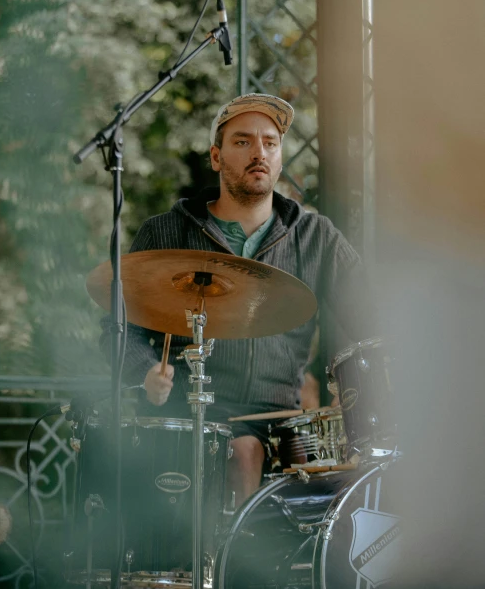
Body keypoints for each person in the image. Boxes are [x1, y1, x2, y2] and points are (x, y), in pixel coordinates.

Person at [100, 93, 370, 504]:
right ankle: (226, 567)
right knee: (240, 453)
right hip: (186, 418)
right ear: (216, 156)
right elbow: (116, 330)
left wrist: (359, 389)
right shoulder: (166, 234)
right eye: (242, 142)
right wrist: (144, 373)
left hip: (279, 423)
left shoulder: (317, 238)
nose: (258, 153)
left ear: (280, 158)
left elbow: (374, 318)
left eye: (270, 143)